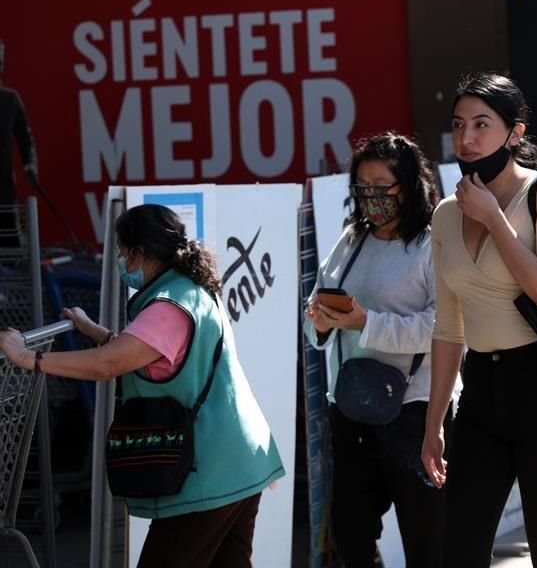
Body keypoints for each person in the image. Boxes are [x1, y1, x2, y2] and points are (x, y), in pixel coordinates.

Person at [0, 204, 284, 568]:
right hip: (239, 464)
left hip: (207, 473)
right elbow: (148, 353)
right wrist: (97, 331)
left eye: (121, 253)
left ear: (140, 253)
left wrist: (29, 359)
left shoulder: (168, 305)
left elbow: (110, 364)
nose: (120, 263)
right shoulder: (191, 289)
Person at [421, 73, 537, 568]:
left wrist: (494, 219)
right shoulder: (446, 214)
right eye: (458, 125)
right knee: (458, 549)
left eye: (481, 124)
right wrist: (434, 421)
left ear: (515, 133)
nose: (466, 139)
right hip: (480, 395)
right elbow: (448, 324)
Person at [303, 132, 457, 568]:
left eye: (381, 186)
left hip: (416, 410)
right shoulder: (352, 238)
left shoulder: (433, 243)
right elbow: (320, 295)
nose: (371, 197)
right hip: (353, 408)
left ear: (408, 186)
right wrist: (319, 319)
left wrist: (365, 323)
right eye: (362, 187)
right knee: (351, 535)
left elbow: (443, 327)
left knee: (427, 542)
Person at [0, 39, 38, 249]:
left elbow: (26, 140)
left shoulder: (9, 100)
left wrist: (30, 165)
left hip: (4, 195)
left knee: (12, 253)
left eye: (0, 63)